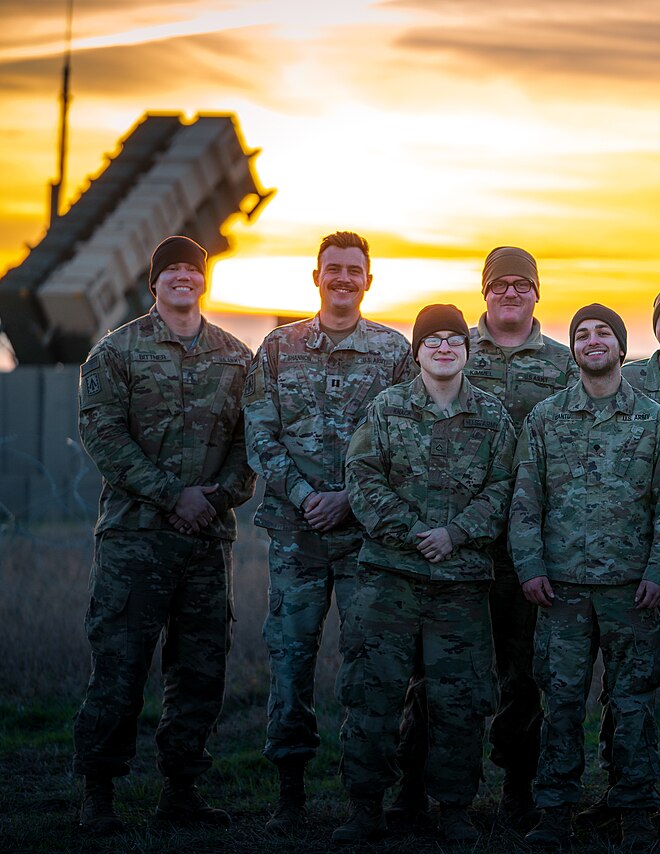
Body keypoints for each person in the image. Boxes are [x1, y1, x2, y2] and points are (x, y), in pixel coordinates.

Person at [390, 247, 578, 831]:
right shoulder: (451, 345)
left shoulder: (561, 363)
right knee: (438, 672)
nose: (511, 293)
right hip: (454, 546)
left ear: (537, 293)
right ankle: (414, 788)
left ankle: (517, 788)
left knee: (522, 674)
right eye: (500, 284)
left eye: (523, 284)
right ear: (485, 292)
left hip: (523, 546)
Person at [73, 235, 255, 834]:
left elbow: (249, 443)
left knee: (200, 673)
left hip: (206, 544)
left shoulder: (236, 358)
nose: (183, 277)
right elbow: (103, 437)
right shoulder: (115, 353)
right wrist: (170, 493)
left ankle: (181, 792)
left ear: (205, 281)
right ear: (154, 284)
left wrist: (214, 498)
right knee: (120, 668)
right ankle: (97, 792)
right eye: (170, 270)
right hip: (135, 542)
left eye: (192, 269)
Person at [242, 231, 412, 833]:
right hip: (297, 537)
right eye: (333, 270)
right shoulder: (278, 348)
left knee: (369, 668)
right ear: (316, 277)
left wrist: (349, 498)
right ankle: (290, 796)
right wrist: (308, 495)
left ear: (370, 281)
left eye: (354, 271)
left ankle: (365, 799)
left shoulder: (394, 353)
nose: (343, 279)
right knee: (291, 664)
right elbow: (260, 436)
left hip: (368, 542)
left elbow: (403, 445)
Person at [335, 304, 516, 845]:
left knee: (459, 699)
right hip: (390, 576)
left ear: (467, 350)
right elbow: (362, 477)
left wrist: (455, 534)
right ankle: (366, 806)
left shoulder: (492, 416)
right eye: (432, 340)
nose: (443, 348)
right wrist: (413, 531)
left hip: (460, 583)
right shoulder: (386, 410)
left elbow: (504, 487)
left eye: (453, 340)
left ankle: (454, 807)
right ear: (416, 351)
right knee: (372, 692)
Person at [510, 304, 660, 849]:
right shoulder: (545, 419)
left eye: (602, 332)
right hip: (560, 588)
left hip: (632, 590)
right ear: (574, 350)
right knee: (559, 702)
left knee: (634, 702)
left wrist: (659, 572)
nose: (591, 341)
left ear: (621, 345)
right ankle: (555, 810)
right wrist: (530, 566)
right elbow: (524, 502)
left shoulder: (655, 419)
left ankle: (635, 810)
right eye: (581, 334)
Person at [579, 279, 660, 822]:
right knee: (627, 678)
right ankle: (622, 788)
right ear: (653, 326)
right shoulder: (627, 381)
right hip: (631, 554)